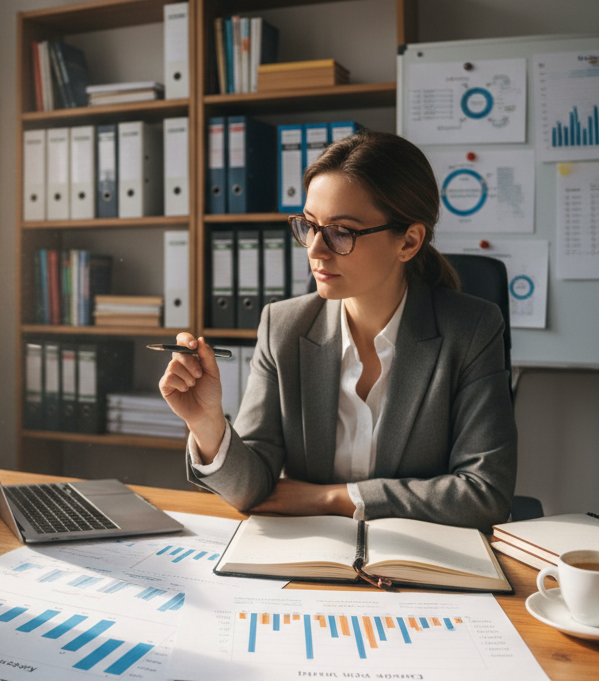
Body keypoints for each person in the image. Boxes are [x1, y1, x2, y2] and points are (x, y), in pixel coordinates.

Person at [159, 130, 516, 529]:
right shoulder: (284, 327)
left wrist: (335, 497)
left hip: (420, 565)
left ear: (409, 242)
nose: (314, 249)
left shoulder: (471, 330)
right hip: (314, 558)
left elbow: (485, 494)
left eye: (341, 231)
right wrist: (207, 423)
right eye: (309, 225)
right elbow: (252, 490)